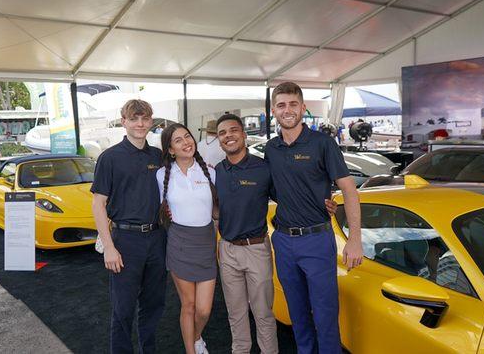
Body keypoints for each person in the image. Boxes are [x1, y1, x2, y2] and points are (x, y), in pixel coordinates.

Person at [215, 114, 339, 354]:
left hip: (257, 247)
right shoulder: (217, 171)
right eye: (222, 133)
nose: (228, 136)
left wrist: (323, 203)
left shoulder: (264, 168)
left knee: (262, 313)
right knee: (236, 314)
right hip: (227, 249)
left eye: (233, 130)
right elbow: (215, 204)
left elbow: (290, 194)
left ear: (243, 134)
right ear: (219, 140)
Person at [264, 82, 363, 353]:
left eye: (293, 104)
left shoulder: (322, 143)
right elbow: (273, 191)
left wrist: (355, 239)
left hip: (317, 241)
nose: (288, 110)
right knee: (298, 316)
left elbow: (349, 189)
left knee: (325, 316)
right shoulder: (271, 149)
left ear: (303, 108)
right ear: (274, 110)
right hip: (283, 241)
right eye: (282, 105)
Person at [91, 99, 166, 354]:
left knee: (153, 305)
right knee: (122, 309)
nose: (140, 123)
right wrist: (109, 248)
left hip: (156, 238)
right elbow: (98, 204)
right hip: (125, 241)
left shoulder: (158, 156)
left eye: (144, 118)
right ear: (124, 122)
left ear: (151, 121)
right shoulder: (109, 158)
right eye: (134, 118)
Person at [157, 123, 217, 354]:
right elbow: (160, 209)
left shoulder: (210, 172)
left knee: (204, 310)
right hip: (179, 244)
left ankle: (196, 336)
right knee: (189, 306)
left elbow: (218, 210)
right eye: (178, 140)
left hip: (205, 244)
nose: (186, 142)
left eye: (188, 136)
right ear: (171, 150)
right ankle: (190, 350)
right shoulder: (161, 175)